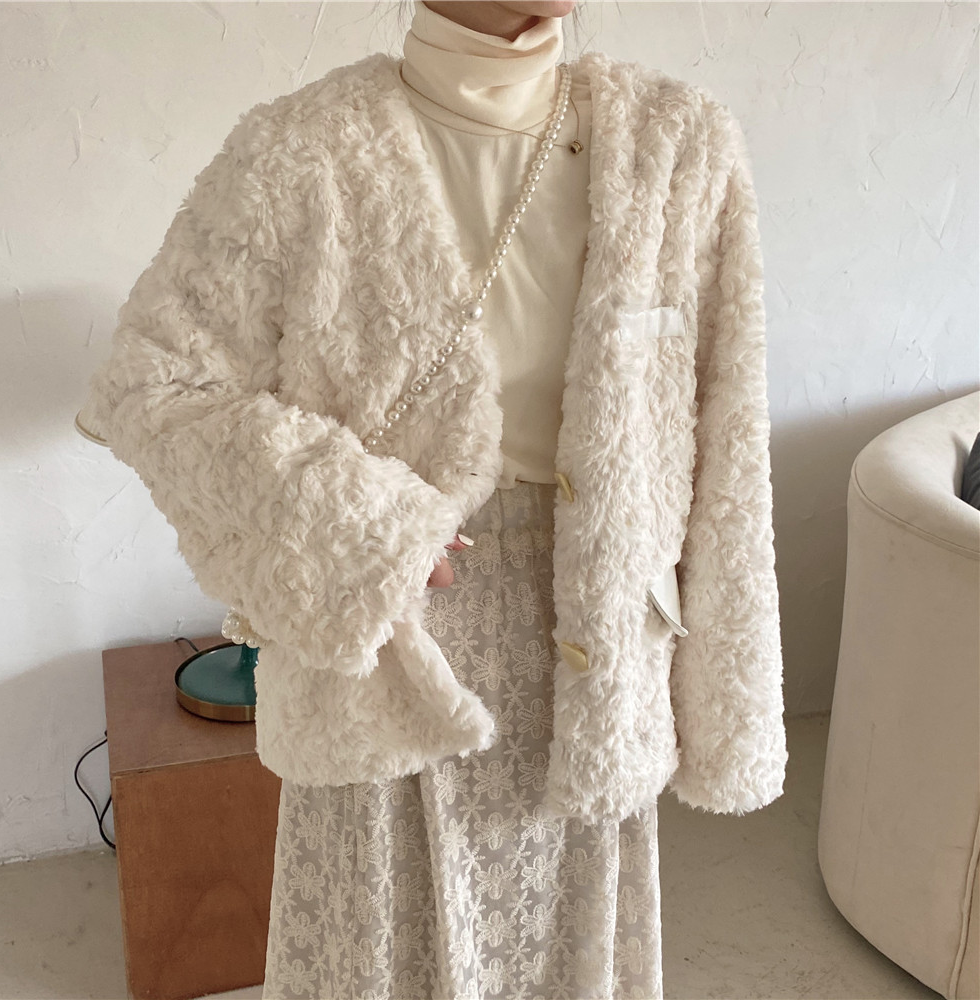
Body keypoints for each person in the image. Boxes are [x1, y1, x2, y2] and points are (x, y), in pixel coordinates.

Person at [78, 1, 788, 997]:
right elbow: (149, 387)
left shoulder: (675, 147)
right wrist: (360, 528)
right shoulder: (302, 152)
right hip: (383, 645)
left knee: (567, 956)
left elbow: (728, 440)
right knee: (381, 952)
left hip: (591, 658)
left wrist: (730, 710)